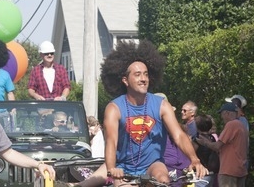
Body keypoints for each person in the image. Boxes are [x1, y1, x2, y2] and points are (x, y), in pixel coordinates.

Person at [101, 40, 207, 186]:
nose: (143, 79)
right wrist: (112, 168)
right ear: (125, 80)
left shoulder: (161, 105)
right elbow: (111, 141)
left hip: (152, 164)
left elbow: (179, 135)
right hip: (123, 167)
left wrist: (194, 159)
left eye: (145, 74)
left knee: (163, 179)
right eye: (137, 75)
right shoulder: (114, 108)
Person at [196, 102, 248, 187]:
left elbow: (217, 146)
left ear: (227, 113)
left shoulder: (231, 124)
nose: (221, 117)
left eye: (221, 114)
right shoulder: (242, 126)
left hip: (229, 171)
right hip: (240, 170)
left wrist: (204, 142)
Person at [194, 115, 219, 187]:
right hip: (211, 171)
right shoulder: (212, 138)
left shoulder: (198, 140)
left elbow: (191, 154)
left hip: (201, 172)